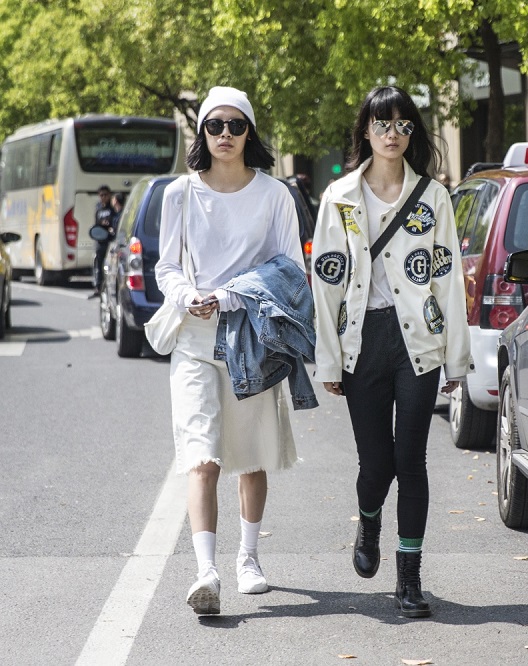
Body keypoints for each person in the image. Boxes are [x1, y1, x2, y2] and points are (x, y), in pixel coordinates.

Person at [312, 85, 473, 618]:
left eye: (403, 125)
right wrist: (329, 359)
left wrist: (456, 357)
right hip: (363, 340)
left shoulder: (433, 197)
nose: (392, 134)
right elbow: (326, 285)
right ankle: (368, 520)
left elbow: (448, 280)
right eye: (382, 124)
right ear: (365, 130)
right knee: (376, 462)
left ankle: (409, 578)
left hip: (417, 340)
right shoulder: (339, 197)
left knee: (411, 459)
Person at [155, 86, 315, 615]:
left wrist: (228, 296)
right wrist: (187, 295)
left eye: (236, 125)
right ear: (202, 132)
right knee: (201, 457)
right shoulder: (179, 193)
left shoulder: (275, 195)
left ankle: (248, 558)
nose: (225, 134)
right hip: (194, 341)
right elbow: (166, 266)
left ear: (250, 132)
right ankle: (206, 572)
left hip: (251, 338)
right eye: (215, 125)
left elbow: (290, 270)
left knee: (251, 457)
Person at [92, 185, 115, 293]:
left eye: (105, 195)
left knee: (110, 265)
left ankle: (108, 287)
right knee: (98, 264)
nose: (103, 197)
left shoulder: (112, 208)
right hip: (100, 241)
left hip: (110, 240)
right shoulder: (98, 208)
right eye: (101, 195)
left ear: (109, 195)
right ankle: (98, 287)